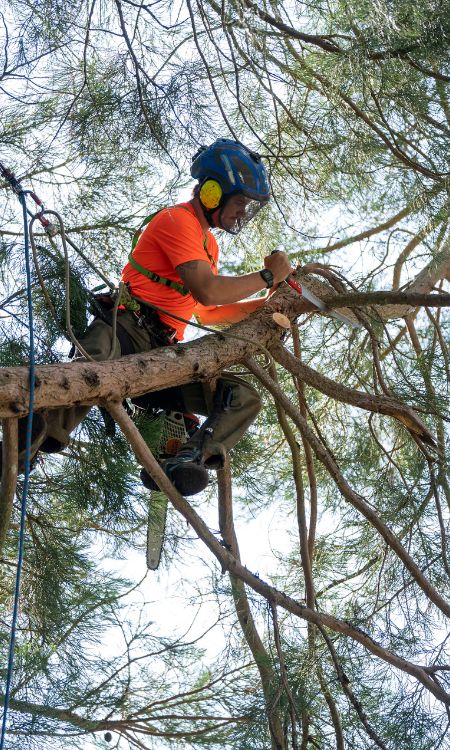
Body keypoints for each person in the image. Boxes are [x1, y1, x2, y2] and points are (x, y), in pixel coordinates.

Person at [6, 139, 292, 495]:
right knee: (91, 363)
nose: (241, 213)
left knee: (243, 395)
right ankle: (33, 434)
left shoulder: (210, 245)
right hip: (126, 326)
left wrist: (269, 302)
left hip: (162, 351)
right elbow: (208, 290)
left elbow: (206, 310)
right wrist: (266, 277)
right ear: (213, 192)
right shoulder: (176, 220)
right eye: (239, 202)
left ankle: (188, 459)